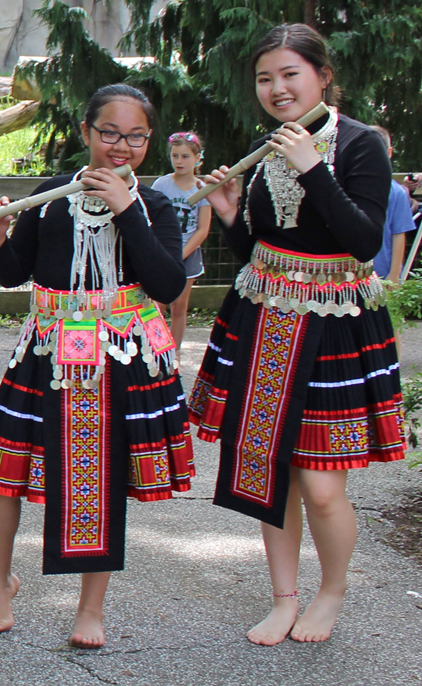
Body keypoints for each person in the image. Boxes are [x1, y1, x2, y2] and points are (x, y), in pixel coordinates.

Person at [188, 24, 405, 645]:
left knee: (322, 482)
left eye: (290, 74)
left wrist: (312, 168)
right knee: (269, 466)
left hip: (335, 325)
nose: (277, 88)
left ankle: (330, 593)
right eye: (265, 78)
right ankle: (283, 597)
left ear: (322, 76)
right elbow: (264, 248)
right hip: (263, 320)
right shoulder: (267, 146)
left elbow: (364, 243)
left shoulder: (358, 144)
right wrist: (230, 212)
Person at [0, 83, 194, 648]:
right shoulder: (50, 195)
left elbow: (167, 283)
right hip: (47, 351)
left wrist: (125, 208)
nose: (121, 146)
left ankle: (89, 609)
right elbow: (15, 273)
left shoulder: (157, 205)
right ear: (87, 132)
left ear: (149, 140)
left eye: (136, 136)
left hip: (120, 353)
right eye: (109, 133)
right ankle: (0, 589)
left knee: (103, 477)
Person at [151, 132, 212, 350]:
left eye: (185, 156)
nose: (179, 161)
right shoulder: (161, 185)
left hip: (188, 254)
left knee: (179, 306)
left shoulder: (204, 189)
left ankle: (174, 354)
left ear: (197, 158)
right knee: (157, 304)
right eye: (175, 156)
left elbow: (203, 229)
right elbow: (152, 220)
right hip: (163, 252)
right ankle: (155, 349)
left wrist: (181, 253)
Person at [369, 126, 415, 284]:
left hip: (382, 275)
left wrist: (394, 276)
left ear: (389, 153)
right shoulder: (348, 187)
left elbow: (399, 234)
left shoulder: (396, 192)